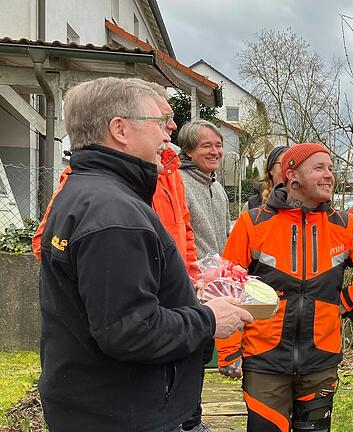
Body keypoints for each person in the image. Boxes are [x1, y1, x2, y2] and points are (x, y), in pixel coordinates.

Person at [37, 77, 253, 432]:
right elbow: (129, 331)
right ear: (120, 129)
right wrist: (209, 320)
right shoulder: (115, 214)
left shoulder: (85, 192)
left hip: (97, 403)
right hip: (126, 412)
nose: (168, 135)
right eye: (158, 123)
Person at [216, 142, 353, 432]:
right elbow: (226, 286)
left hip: (320, 360)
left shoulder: (343, 225)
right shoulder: (254, 222)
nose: (329, 175)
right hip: (264, 360)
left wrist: (347, 300)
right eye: (319, 168)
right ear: (292, 176)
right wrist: (228, 350)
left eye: (332, 168)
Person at [31, 83, 198, 273]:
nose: (171, 126)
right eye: (162, 119)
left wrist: (191, 279)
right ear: (121, 128)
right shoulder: (85, 183)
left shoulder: (171, 172)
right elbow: (45, 244)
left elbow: (186, 232)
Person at [178, 120, 230, 259]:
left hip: (220, 276)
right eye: (206, 146)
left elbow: (227, 235)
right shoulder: (178, 184)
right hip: (192, 278)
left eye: (218, 146)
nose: (215, 152)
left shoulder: (218, 188)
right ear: (188, 151)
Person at [243, 145, 288, 211]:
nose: (288, 170)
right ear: (271, 170)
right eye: (283, 164)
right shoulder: (251, 205)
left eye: (292, 165)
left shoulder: (304, 204)